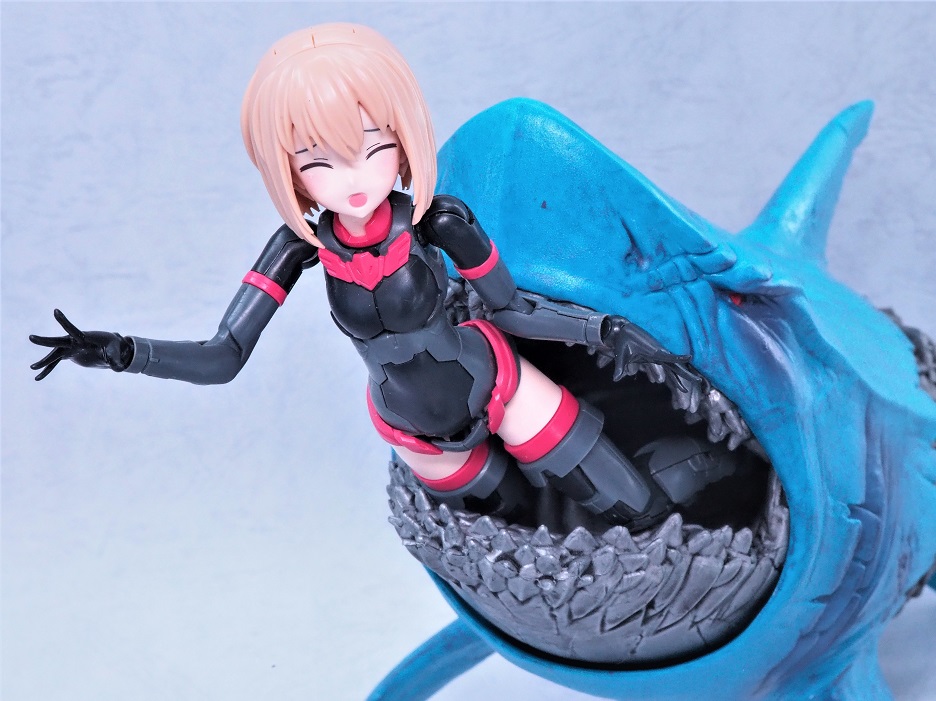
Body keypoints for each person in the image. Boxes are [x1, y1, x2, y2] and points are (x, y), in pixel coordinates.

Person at [30, 23, 689, 529]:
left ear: (403, 141)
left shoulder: (440, 221)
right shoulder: (296, 248)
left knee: (640, 511)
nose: (354, 177)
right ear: (289, 171)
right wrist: (123, 353)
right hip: (415, 433)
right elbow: (224, 355)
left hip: (500, 387)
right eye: (319, 160)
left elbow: (510, 307)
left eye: (374, 147)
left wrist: (602, 330)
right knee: (522, 537)